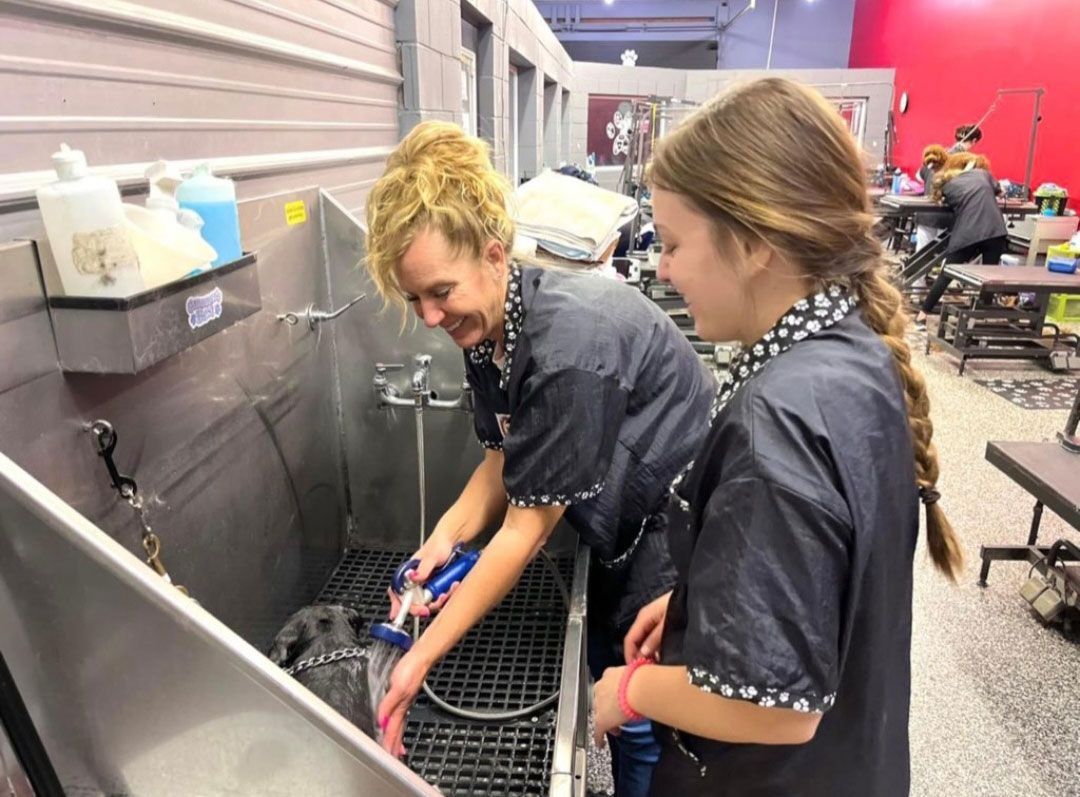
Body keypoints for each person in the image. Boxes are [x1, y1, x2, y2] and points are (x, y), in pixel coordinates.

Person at [590, 77, 963, 796]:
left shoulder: (777, 429)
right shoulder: (848, 353)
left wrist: (633, 690)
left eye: (672, 243)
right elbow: (816, 573)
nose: (662, 267)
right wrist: (703, 600)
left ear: (756, 242)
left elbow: (771, 707)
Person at [363, 121, 715, 796]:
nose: (430, 317)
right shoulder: (487, 328)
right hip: (615, 516)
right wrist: (441, 541)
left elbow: (526, 529)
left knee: (651, 705)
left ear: (496, 256)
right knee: (619, 682)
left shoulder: (567, 346)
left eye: (440, 291)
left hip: (673, 531)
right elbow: (502, 455)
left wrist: (417, 663)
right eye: (415, 299)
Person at [915, 151, 1007, 324]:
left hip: (968, 232)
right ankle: (982, 318)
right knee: (989, 276)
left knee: (947, 273)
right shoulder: (983, 174)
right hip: (995, 230)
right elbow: (1000, 191)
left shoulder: (948, 186)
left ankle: (923, 313)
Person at [914, 144, 951, 251]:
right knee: (941, 250)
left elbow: (918, 178)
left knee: (922, 250)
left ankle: (920, 267)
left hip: (925, 213)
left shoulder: (925, 169)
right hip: (944, 215)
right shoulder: (949, 171)